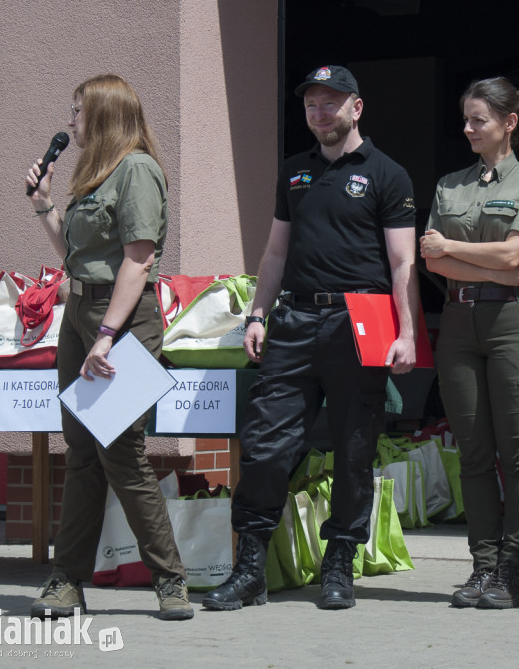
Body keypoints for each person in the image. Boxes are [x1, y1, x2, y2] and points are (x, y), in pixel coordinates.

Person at [202, 65, 420, 612]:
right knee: (266, 447)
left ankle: (340, 563)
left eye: (331, 103)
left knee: (352, 448)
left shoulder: (387, 174)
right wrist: (257, 314)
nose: (320, 114)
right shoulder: (294, 172)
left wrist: (408, 334)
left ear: (356, 108)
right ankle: (249, 567)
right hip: (295, 323)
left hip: (359, 323)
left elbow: (402, 263)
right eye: (311, 105)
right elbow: (276, 253)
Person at [25, 73, 192, 621]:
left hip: (121, 318)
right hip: (81, 311)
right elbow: (78, 257)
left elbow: (138, 260)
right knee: (80, 456)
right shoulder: (93, 175)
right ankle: (67, 581)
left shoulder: (137, 170)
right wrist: (45, 206)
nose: (70, 122)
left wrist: (105, 337)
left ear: (101, 115)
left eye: (77, 112)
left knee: (121, 454)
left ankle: (170, 580)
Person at [420, 77, 519, 609]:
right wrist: (493, 262)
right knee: (473, 451)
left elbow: (515, 258)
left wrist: (457, 248)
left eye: (479, 119)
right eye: (467, 119)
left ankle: (515, 570)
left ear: (509, 123)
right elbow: (431, 261)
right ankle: (483, 566)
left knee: (518, 450)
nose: (468, 128)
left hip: (513, 322)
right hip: (459, 321)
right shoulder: (450, 184)